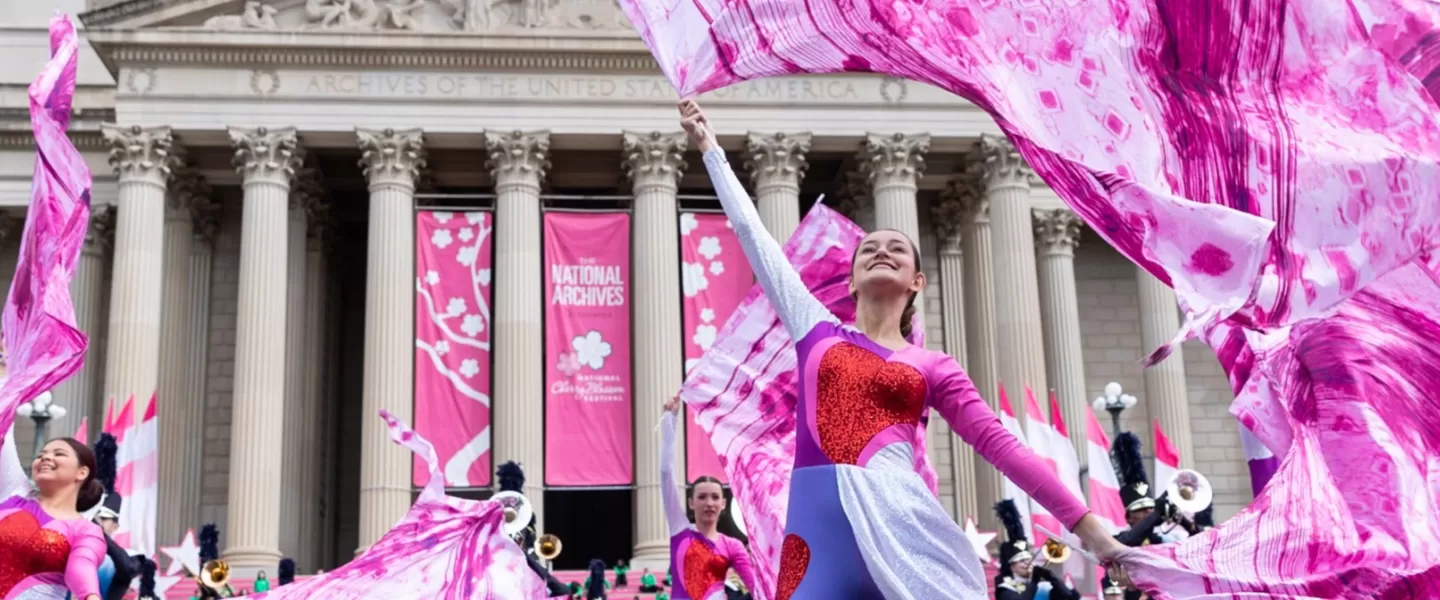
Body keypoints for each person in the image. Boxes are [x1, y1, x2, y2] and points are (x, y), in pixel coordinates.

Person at [678, 99, 1126, 599]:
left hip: (901, 527)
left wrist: (1095, 533)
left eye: (896, 248)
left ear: (917, 281)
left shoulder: (933, 366)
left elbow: (1003, 448)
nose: (881, 251)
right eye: (869, 248)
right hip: (815, 534)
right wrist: (711, 150)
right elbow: (753, 237)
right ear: (851, 280)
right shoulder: (816, 331)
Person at [660, 394, 757, 599]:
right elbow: (666, 473)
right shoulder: (680, 531)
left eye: (714, 497)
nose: (709, 503)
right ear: (691, 503)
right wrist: (671, 419)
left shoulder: (732, 546)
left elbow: (756, 588)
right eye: (702, 497)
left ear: (723, 504)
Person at [0, 425, 107, 600]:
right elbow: (3, 429)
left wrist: (90, 595)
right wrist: (13, 398)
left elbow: (81, 565)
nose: (46, 458)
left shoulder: (87, 531)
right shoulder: (14, 494)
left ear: (82, 472)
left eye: (59, 454)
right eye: (40, 455)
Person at [993, 500, 1080, 600]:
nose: (1027, 563)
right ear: (1012, 567)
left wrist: (1052, 578)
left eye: (1028, 559)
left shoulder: (1044, 586)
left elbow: (1070, 597)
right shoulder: (1005, 588)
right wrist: (1034, 581)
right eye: (1021, 561)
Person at [88, 432, 137, 600]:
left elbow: (127, 568)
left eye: (104, 518)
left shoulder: (129, 556)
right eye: (95, 516)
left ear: (115, 525)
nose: (99, 522)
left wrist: (96, 532)